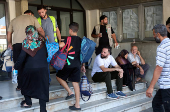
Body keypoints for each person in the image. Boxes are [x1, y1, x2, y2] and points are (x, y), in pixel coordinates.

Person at [7, 10, 45, 91]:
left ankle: (20, 85)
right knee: (30, 63)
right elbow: (40, 30)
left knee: (19, 64)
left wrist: (9, 43)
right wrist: (44, 38)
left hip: (17, 45)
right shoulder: (32, 18)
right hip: (29, 44)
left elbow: (9, 33)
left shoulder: (14, 20)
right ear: (30, 14)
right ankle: (32, 84)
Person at [14, 25, 49, 112]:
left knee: (25, 83)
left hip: (30, 69)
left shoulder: (26, 42)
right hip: (43, 68)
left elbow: (21, 57)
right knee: (42, 88)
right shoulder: (42, 41)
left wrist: (16, 67)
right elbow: (46, 54)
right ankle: (43, 109)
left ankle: (28, 102)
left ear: (27, 32)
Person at [56, 22, 85, 110]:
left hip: (68, 63)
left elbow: (59, 46)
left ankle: (69, 92)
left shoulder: (68, 39)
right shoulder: (81, 40)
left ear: (70, 30)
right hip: (77, 64)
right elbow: (83, 54)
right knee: (75, 84)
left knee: (58, 77)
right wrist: (83, 65)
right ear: (77, 30)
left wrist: (52, 45)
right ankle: (77, 105)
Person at [146, 24, 170, 112]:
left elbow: (159, 68)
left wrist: (151, 87)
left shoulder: (162, 47)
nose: (153, 36)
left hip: (167, 86)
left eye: (154, 34)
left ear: (158, 34)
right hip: (166, 85)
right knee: (156, 103)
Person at [37, 5, 62, 85]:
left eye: (42, 12)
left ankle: (62, 79)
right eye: (39, 13)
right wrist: (43, 37)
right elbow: (36, 34)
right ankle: (47, 80)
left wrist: (60, 40)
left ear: (45, 10)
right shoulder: (37, 20)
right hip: (44, 46)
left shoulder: (52, 19)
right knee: (45, 64)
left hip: (54, 45)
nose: (41, 14)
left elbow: (57, 30)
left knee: (58, 62)